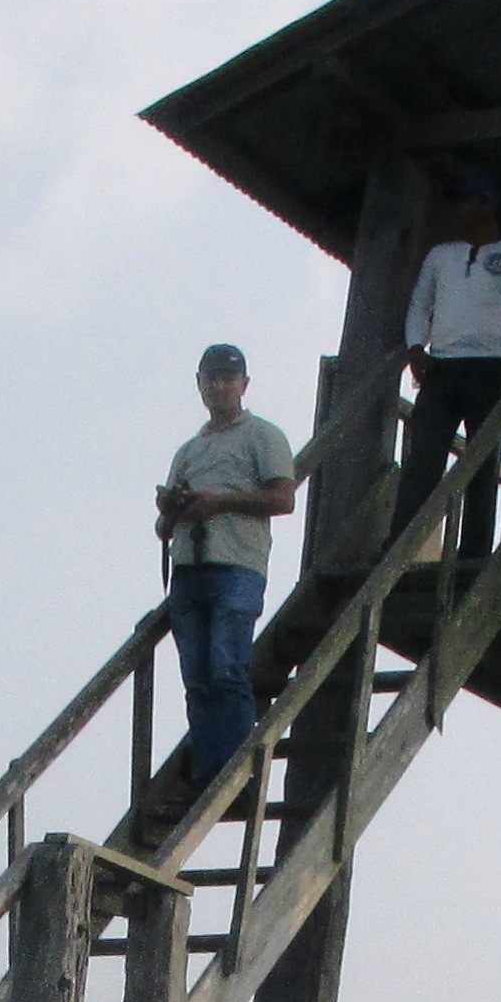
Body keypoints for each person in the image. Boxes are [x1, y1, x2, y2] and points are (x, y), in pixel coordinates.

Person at [149, 340, 300, 815]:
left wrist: (220, 502)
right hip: (189, 566)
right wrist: (173, 510)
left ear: (243, 384)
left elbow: (283, 499)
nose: (218, 386)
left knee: (227, 668)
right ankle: (212, 776)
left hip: (238, 562)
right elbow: (161, 528)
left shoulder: (263, 436)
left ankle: (237, 776)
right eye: (210, 378)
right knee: (197, 676)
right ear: (199, 385)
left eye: (226, 378)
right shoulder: (189, 450)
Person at [400, 183, 501, 500]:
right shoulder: (440, 255)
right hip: (442, 366)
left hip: (492, 368)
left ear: (487, 204)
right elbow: (420, 305)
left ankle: (474, 548)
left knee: (481, 463)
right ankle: (398, 540)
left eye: (464, 200)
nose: (457, 209)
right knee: (422, 459)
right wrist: (416, 347)